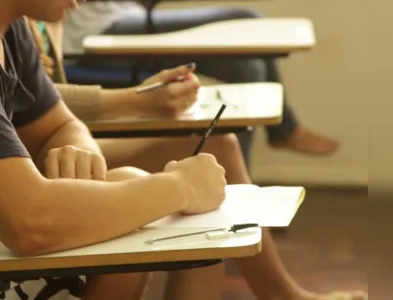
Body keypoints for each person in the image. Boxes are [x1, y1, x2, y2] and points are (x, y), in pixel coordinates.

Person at [27, 18, 367, 300]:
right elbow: (25, 103)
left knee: (214, 153)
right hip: (24, 154)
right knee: (155, 178)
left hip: (57, 138)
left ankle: (275, 293)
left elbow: (45, 97)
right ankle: (280, 294)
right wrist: (136, 101)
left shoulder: (44, 17)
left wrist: (77, 129)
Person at [0, 0, 229, 298]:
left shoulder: (6, 28)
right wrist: (182, 187)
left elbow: (58, 126)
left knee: (122, 192)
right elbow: (29, 224)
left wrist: (77, 149)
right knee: (126, 218)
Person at [62, 2, 340, 164]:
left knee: (248, 67)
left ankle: (240, 188)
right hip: (93, 30)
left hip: (122, 14)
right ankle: (283, 132)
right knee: (245, 19)